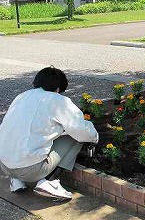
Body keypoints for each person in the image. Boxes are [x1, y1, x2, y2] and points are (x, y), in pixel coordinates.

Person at [0, 66, 98, 200]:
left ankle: (16, 180)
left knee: (20, 135)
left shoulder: (21, 97)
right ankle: (50, 181)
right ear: (58, 89)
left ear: (36, 83)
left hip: (4, 164)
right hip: (30, 170)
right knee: (75, 137)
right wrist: (95, 138)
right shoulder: (58, 100)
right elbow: (81, 130)